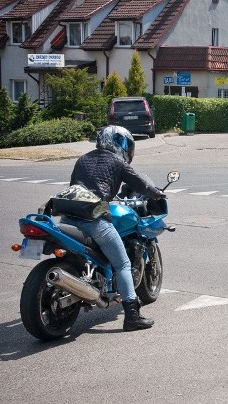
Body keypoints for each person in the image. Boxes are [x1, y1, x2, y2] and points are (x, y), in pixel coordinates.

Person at [61, 126, 165, 331]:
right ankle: (132, 316)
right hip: (94, 219)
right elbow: (140, 184)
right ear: (121, 144)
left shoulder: (83, 159)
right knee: (123, 264)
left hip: (68, 216)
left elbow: (76, 186)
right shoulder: (116, 161)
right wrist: (156, 193)